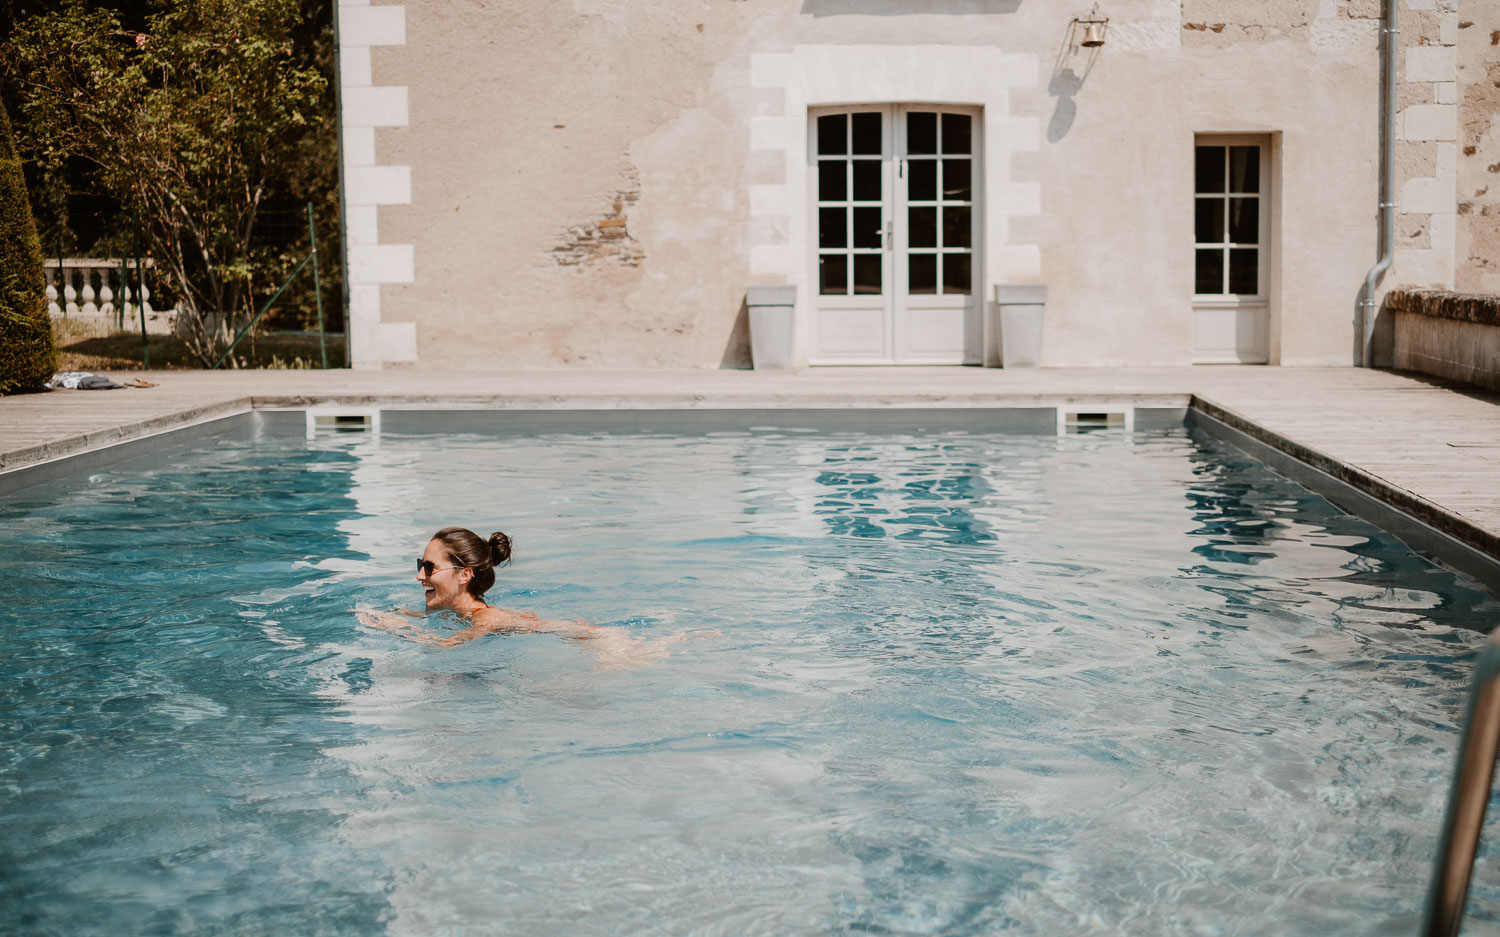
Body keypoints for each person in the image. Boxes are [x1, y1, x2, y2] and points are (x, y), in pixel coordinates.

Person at [356, 526, 679, 663]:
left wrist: (394, 628)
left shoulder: (486, 620)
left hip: (606, 644)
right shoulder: (464, 615)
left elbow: (444, 646)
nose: (419, 576)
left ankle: (674, 639)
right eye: (420, 565)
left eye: (429, 567)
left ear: (465, 575)